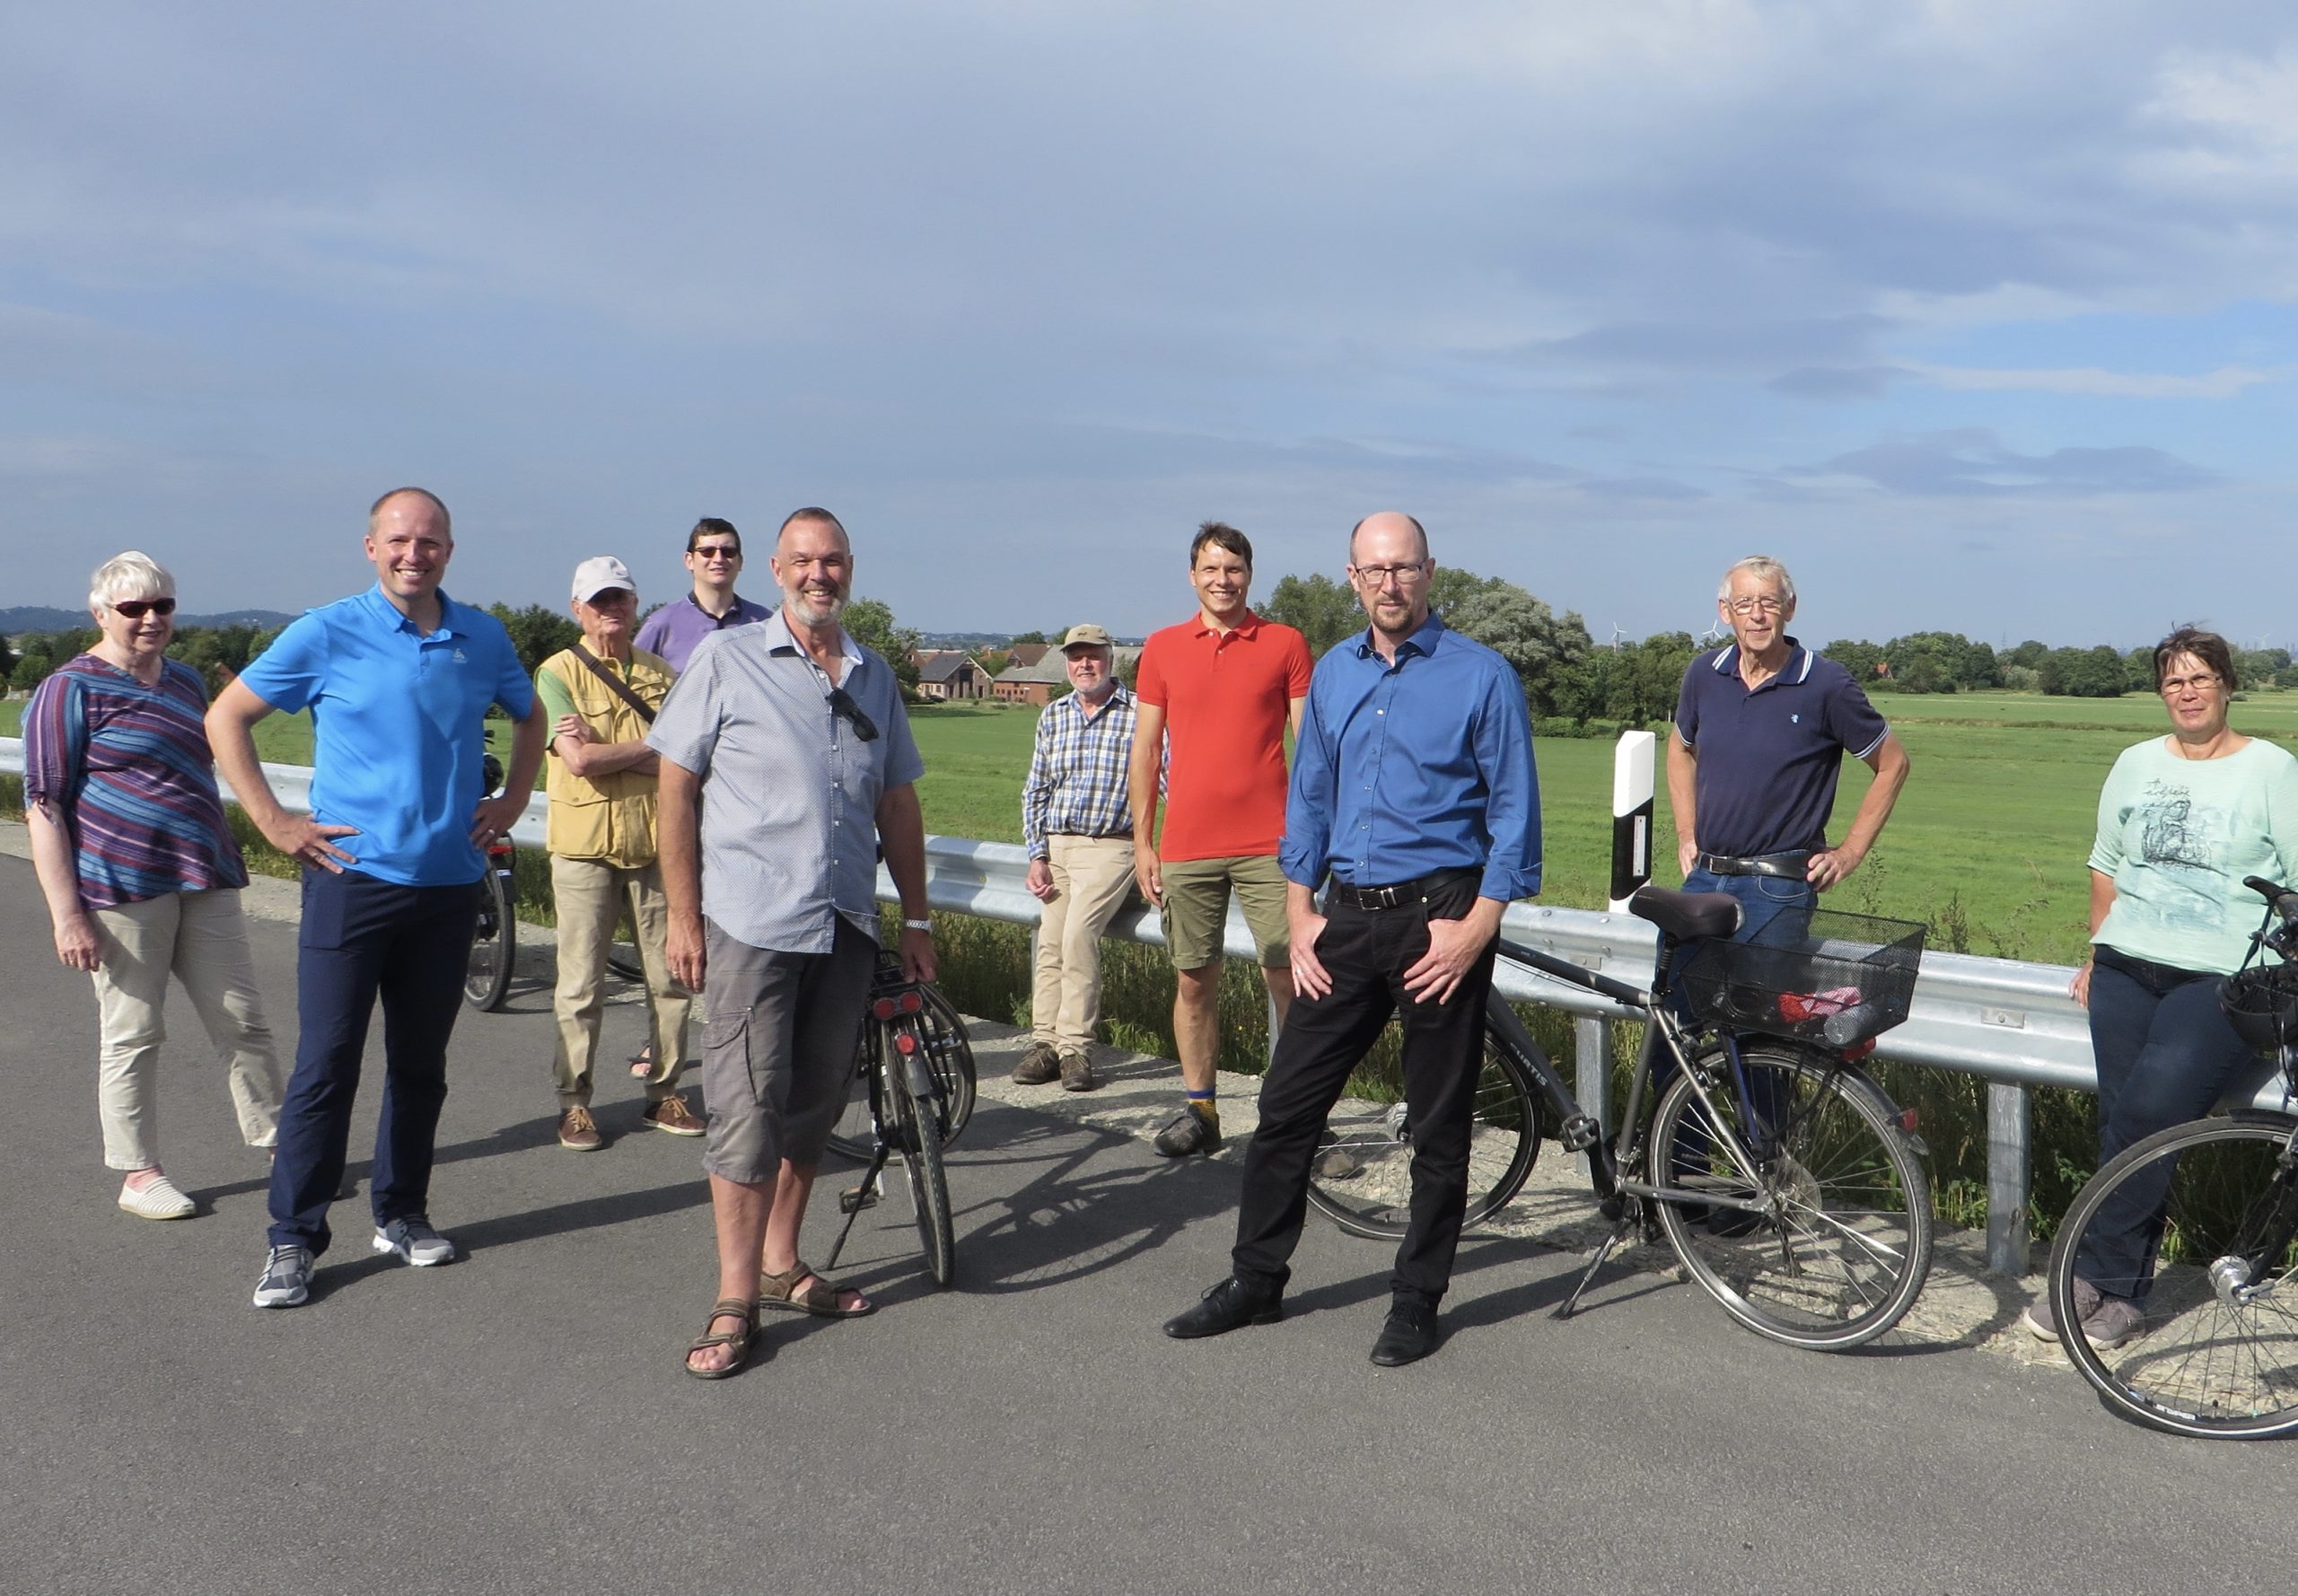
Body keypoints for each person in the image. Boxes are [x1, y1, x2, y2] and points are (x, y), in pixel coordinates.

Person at [1162, 512, 1539, 1368]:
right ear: (1352, 577)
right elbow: (1310, 799)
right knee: (1286, 1106)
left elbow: (1515, 813)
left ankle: (1417, 1298)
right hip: (1343, 917)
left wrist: (1477, 926)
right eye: (1375, 571)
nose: (1390, 584)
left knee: (1438, 1127)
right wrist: (1300, 914)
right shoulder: (1334, 672)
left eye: (1404, 569)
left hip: (1440, 917)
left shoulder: (1482, 676)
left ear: (1430, 573)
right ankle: (1257, 1280)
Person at [208, 487, 545, 1309]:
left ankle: (401, 1213)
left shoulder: (482, 635)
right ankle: (293, 1237)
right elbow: (227, 718)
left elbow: (531, 718)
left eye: (430, 542)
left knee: (420, 1068)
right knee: (326, 1067)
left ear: (449, 552)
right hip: (350, 883)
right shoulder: (328, 630)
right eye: (399, 540)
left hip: (448, 887)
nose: (414, 554)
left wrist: (509, 804)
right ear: (371, 547)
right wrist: (274, 821)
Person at [649, 506, 935, 1380]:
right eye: (804, 560)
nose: (820, 574)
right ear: (776, 568)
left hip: (843, 919)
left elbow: (897, 803)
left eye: (834, 561)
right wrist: (686, 915)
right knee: (744, 1105)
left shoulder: (873, 673)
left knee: (813, 1102)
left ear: (851, 568)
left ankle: (782, 1261)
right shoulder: (726, 659)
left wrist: (916, 918)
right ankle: (736, 1292)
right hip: (751, 923)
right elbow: (675, 788)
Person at [2023, 627, 2298, 1349]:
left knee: (2146, 1116)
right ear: (2161, 692)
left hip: (2219, 975)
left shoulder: (2271, 770)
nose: (2188, 692)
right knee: (2124, 1120)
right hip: (2125, 966)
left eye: (2201, 678)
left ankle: (2093, 1281)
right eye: (2174, 681)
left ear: (2227, 685)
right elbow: (2106, 863)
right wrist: (2097, 948)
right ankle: (2116, 1296)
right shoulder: (2136, 762)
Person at [23, 551, 285, 1220]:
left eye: (161, 606)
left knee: (243, 1019)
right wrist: (67, 915)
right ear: (101, 613)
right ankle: (138, 1173)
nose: (149, 619)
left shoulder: (187, 682)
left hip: (204, 871)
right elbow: (44, 804)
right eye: (133, 608)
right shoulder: (69, 689)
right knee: (134, 1031)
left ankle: (283, 1144)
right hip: (121, 886)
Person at [1128, 522, 1312, 1157]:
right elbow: (1147, 749)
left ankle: (1298, 1117)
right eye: (1210, 569)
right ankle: (1201, 1113)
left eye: (1233, 569)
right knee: (1193, 981)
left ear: (1248, 575)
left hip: (1272, 842)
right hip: (1187, 844)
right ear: (1193, 576)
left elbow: (1308, 748)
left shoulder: (1285, 643)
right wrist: (1143, 844)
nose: (1222, 579)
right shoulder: (1161, 648)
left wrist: (1314, 841)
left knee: (1289, 977)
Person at [534, 556, 701, 1151]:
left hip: (658, 842)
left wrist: (617, 750)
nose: (611, 610)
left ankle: (665, 1092)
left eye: (621, 599)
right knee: (580, 984)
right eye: (599, 600)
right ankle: (574, 1103)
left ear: (636, 606)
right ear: (577, 608)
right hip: (584, 849)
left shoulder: (661, 673)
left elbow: (686, 756)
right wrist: (649, 748)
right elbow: (576, 760)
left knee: (672, 978)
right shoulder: (556, 673)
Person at [1667, 555, 1910, 935]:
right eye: (1744, 603)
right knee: (1680, 994)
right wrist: (1686, 833)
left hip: (1776, 887)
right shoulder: (1704, 674)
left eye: (1770, 602)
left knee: (1760, 997)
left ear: (1790, 609)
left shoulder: (1826, 683)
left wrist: (1849, 853)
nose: (1757, 615)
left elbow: (1893, 764)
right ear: (1725, 612)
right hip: (1704, 878)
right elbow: (1681, 748)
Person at [1012, 624, 1139, 1093]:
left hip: (1112, 846)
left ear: (1111, 659)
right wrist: (1037, 854)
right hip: (1057, 846)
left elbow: (1167, 781)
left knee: (1079, 934)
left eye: (1094, 656)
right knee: (1049, 942)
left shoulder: (1141, 713)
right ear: (1067, 663)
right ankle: (1043, 1044)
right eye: (1076, 657)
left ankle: (1075, 1050)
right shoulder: (1055, 715)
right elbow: (1037, 788)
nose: (1085, 665)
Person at [633, 516, 773, 672]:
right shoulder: (661, 624)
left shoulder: (765, 622)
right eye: (707, 552)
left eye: (728, 552)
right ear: (689, 560)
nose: (718, 559)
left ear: (740, 561)